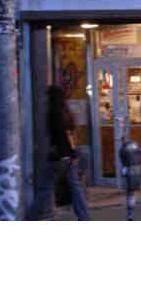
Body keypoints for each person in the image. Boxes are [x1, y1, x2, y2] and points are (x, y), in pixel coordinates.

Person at [31, 85, 90, 220]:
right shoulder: (66, 112)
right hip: (70, 155)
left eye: (48, 96)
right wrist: (73, 154)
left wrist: (65, 153)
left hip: (59, 156)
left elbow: (60, 135)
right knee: (75, 187)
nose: (45, 98)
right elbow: (69, 134)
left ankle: (32, 216)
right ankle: (84, 217)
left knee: (45, 187)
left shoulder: (53, 112)